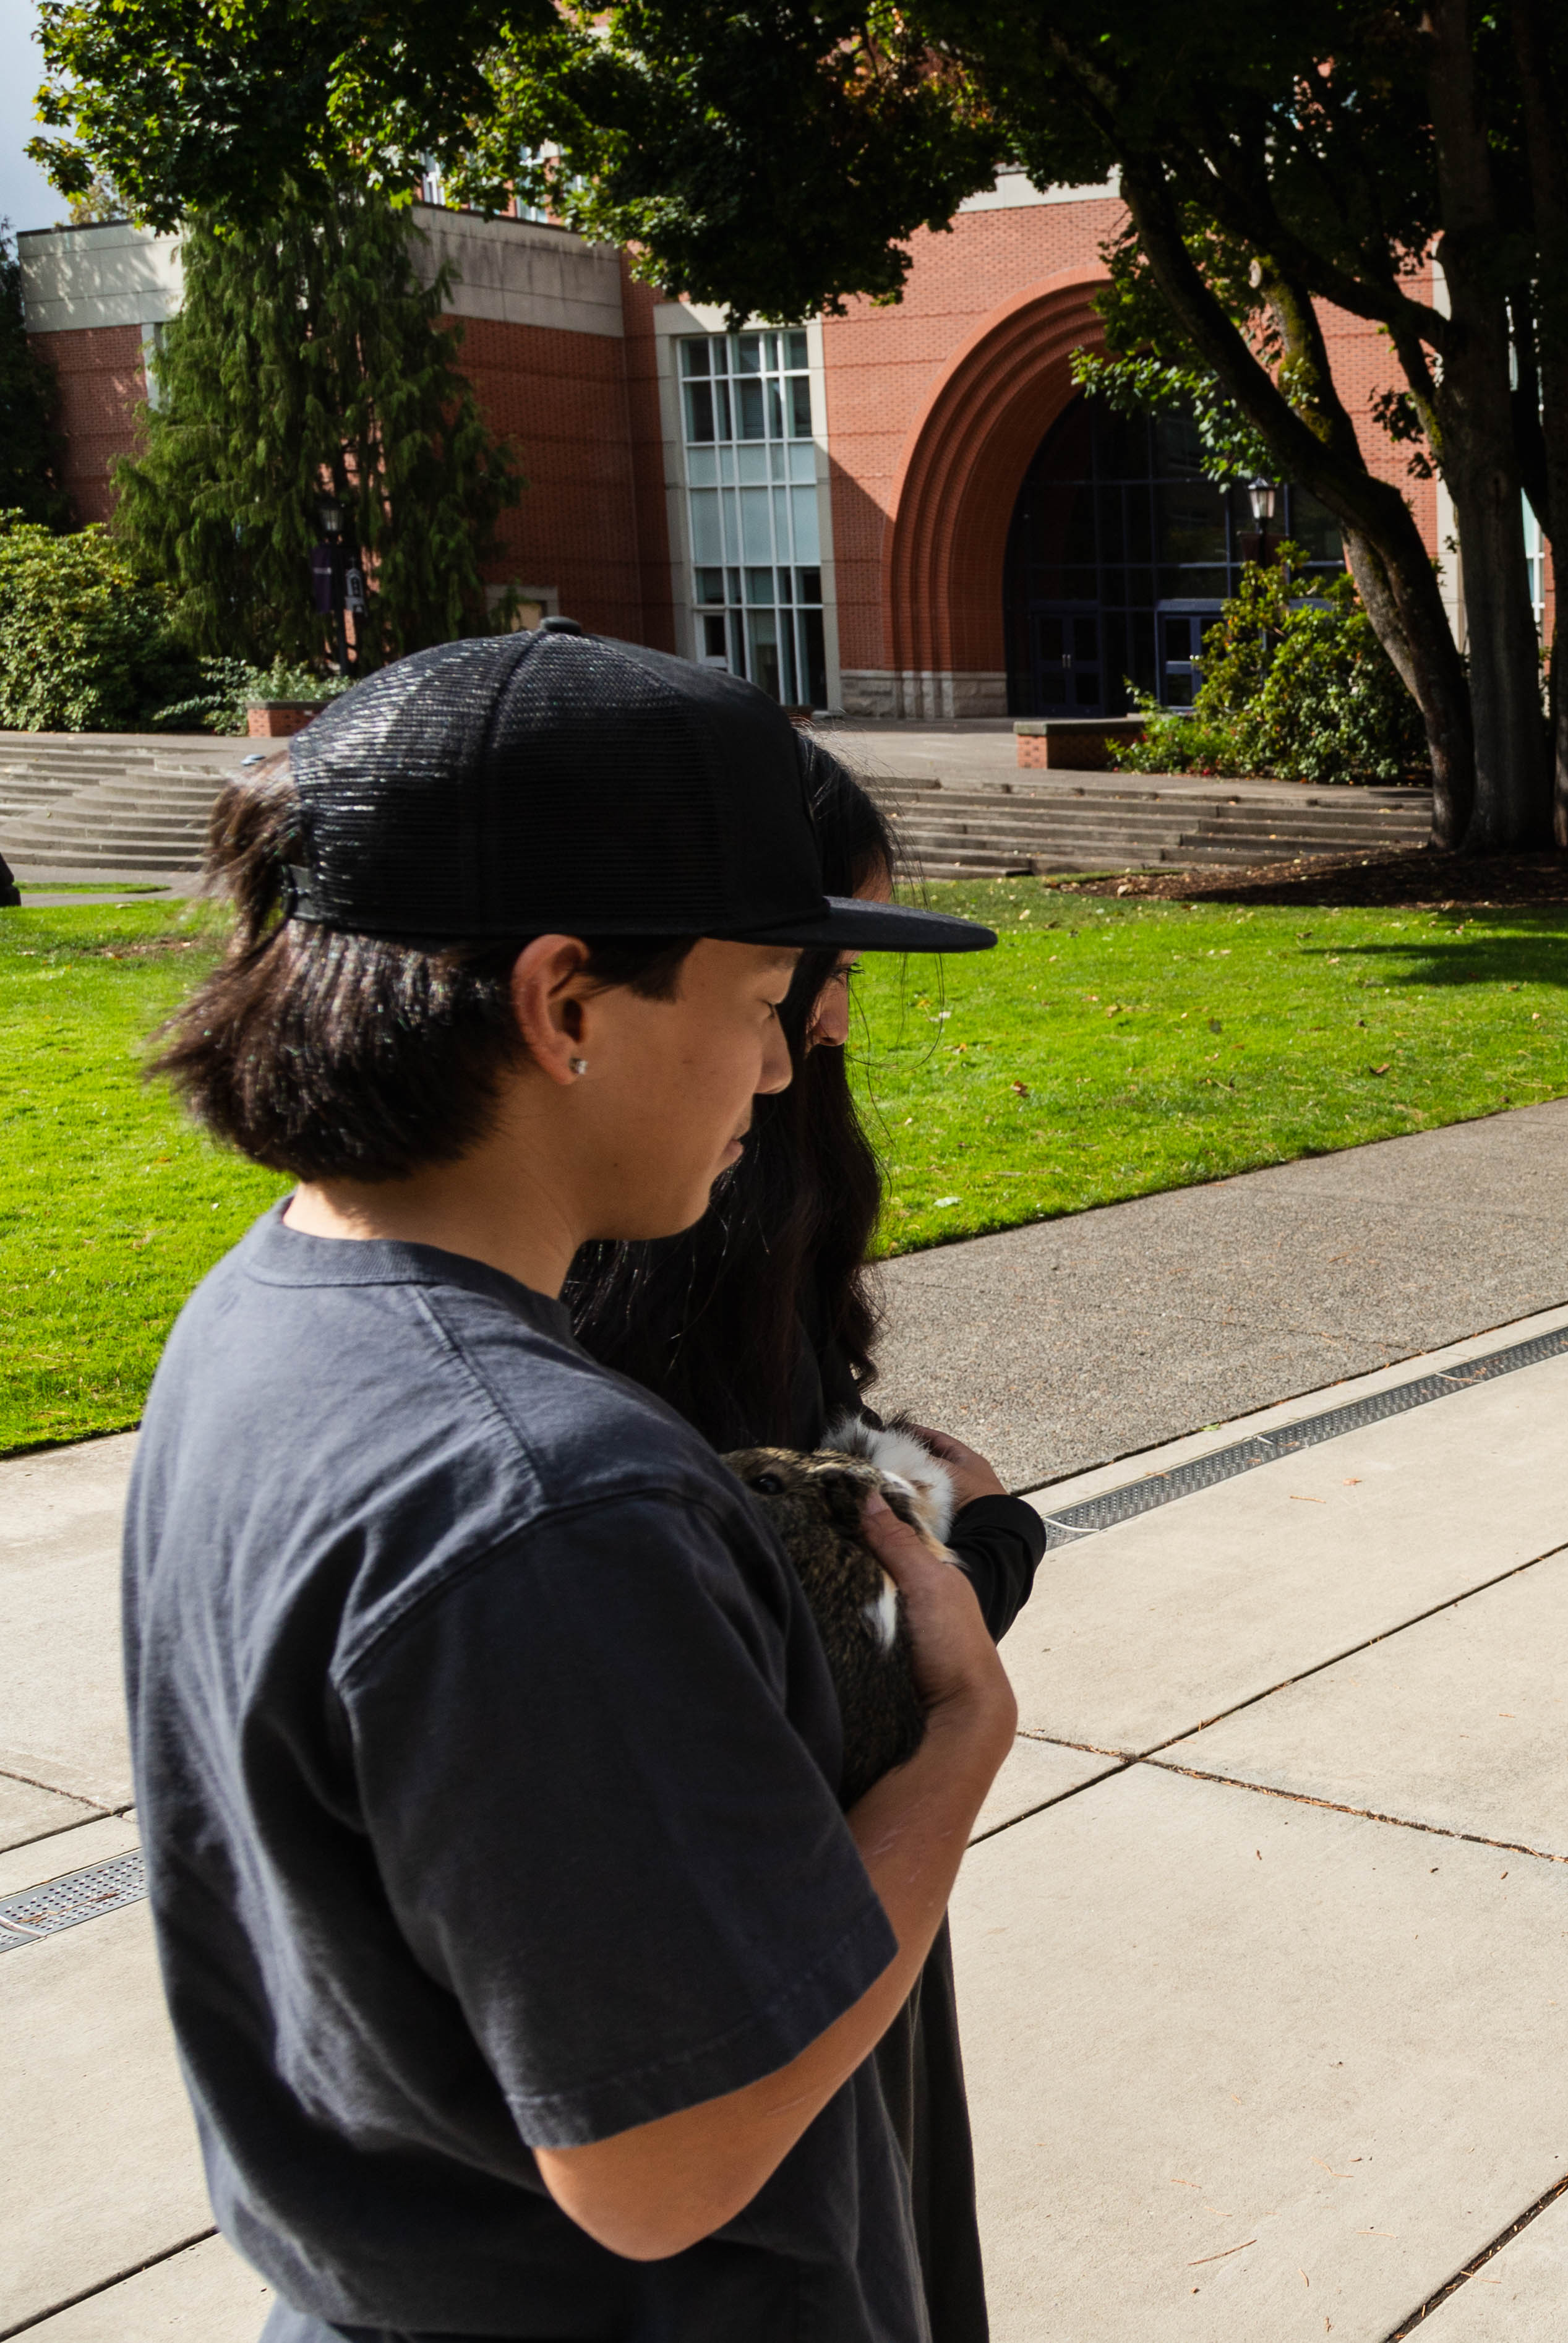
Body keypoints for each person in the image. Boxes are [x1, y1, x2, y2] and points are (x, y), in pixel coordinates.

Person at [124, 622, 1012, 2340]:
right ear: (562, 1001)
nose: (778, 1064)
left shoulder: (257, 1317)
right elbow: (664, 2160)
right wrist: (959, 1744)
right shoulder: (548, 1500)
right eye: (758, 1000)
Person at [565, 746, 1043, 2339]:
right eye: (800, 974)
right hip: (791, 1896)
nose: (813, 1039)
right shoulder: (666, 1223)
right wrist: (974, 1582)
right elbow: (662, 2163)